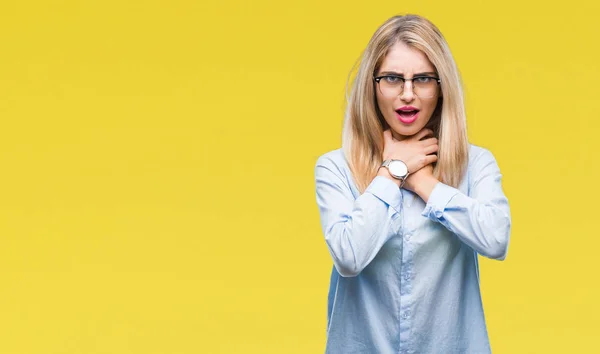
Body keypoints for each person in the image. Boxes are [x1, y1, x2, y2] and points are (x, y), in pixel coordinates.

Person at [314, 14, 511, 354]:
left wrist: (425, 184)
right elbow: (348, 256)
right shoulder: (336, 168)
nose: (408, 94)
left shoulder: (475, 164)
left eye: (422, 79)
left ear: (441, 86)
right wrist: (391, 174)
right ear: (373, 86)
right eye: (392, 78)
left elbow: (496, 239)